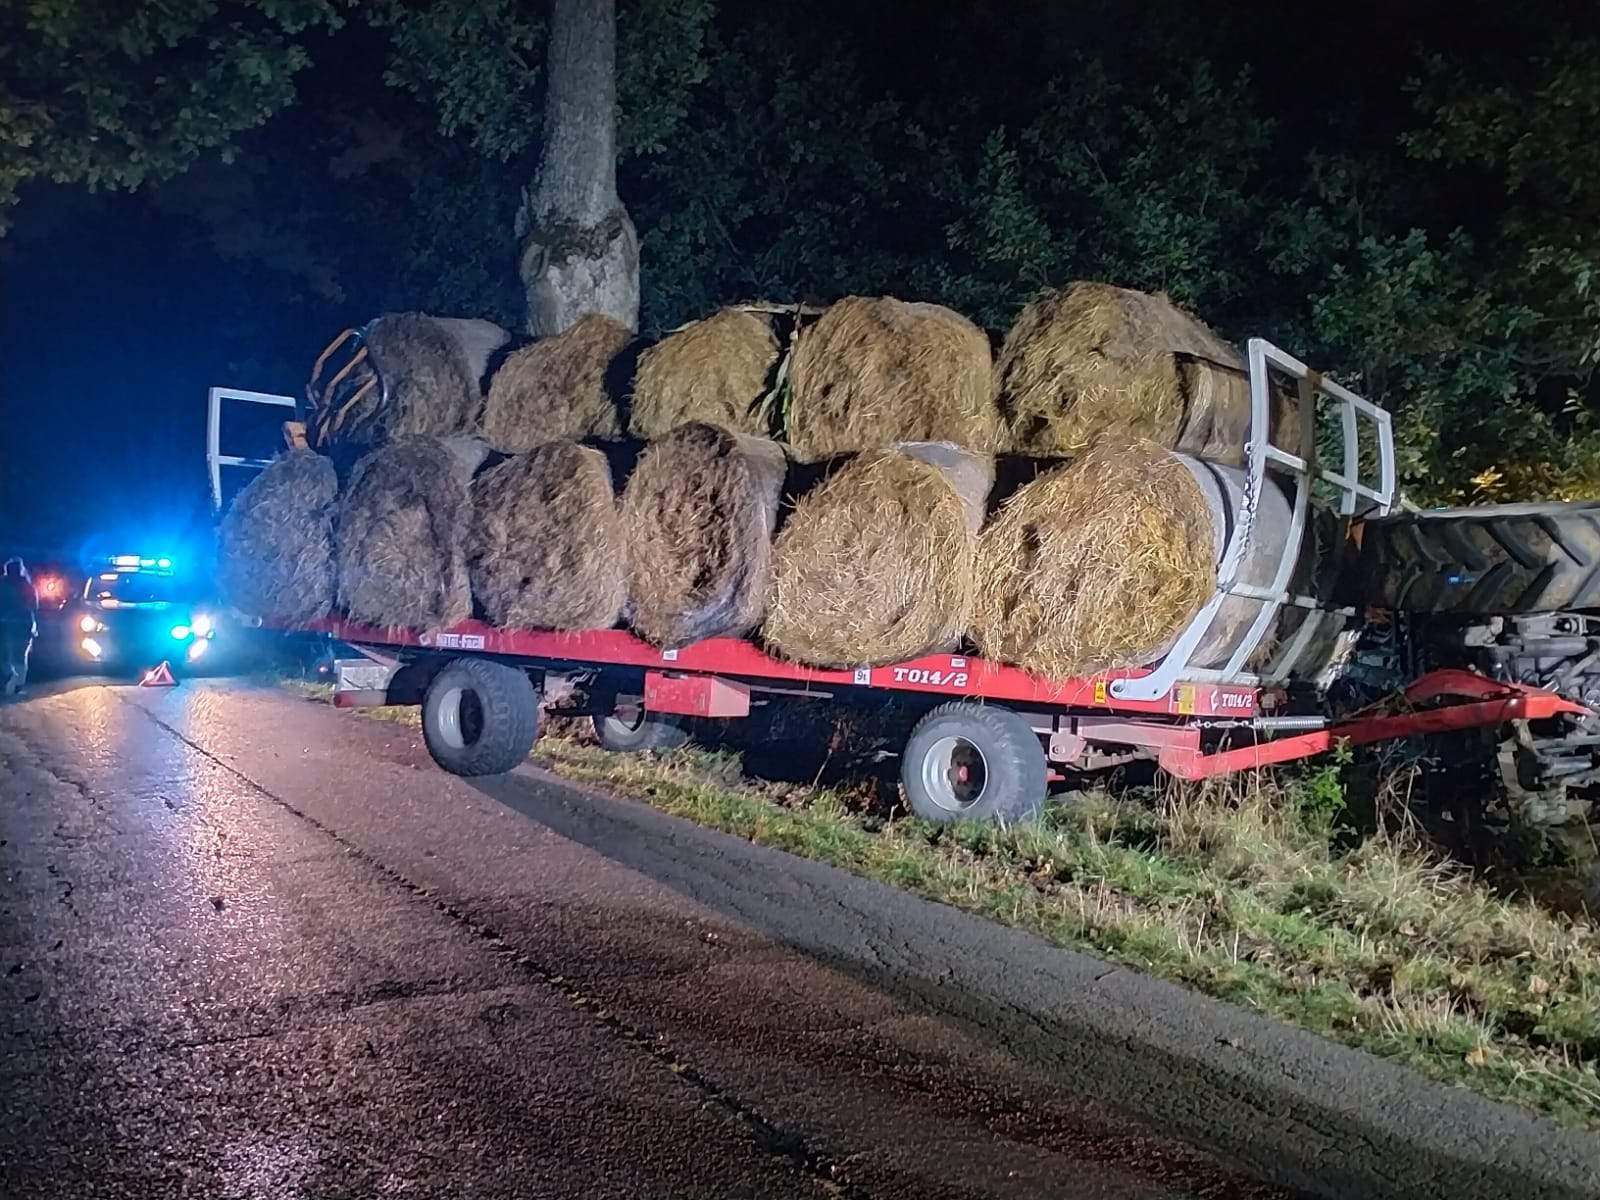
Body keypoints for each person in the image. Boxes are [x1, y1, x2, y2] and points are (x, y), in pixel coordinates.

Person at [0, 557, 38, 696]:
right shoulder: (27, 586)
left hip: (4, 623)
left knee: (4, 654)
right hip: (23, 623)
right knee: (20, 656)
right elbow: (34, 606)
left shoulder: (2, 585)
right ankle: (18, 684)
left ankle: (9, 674)